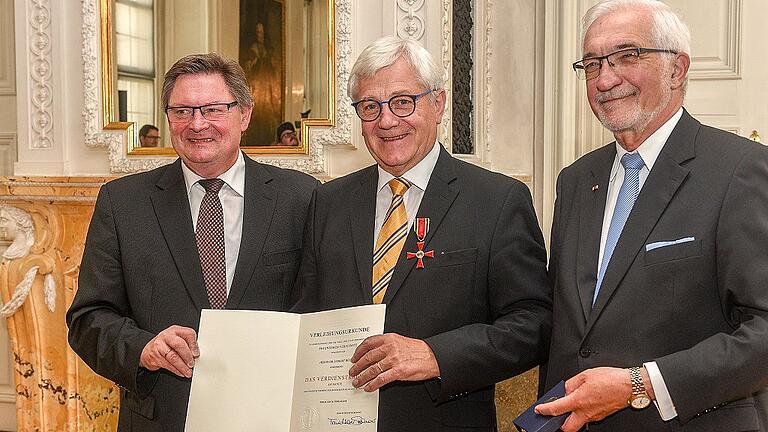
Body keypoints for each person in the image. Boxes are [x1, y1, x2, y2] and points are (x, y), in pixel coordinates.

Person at [291, 36, 552, 431]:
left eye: (402, 102)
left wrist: (436, 355)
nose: (386, 121)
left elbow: (533, 323)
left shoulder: (497, 200)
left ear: (439, 103)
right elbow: (304, 319)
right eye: (369, 107)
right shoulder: (329, 202)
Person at [536, 1, 768, 431]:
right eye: (592, 64)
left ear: (677, 70)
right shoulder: (574, 181)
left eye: (628, 56)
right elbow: (566, 328)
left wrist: (641, 384)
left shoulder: (742, 170)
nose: (606, 79)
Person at [66, 53, 319, 432]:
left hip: (273, 416)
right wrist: (143, 349)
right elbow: (88, 320)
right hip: (162, 418)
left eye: (213, 109)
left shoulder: (300, 197)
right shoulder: (123, 204)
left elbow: (322, 306)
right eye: (182, 111)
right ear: (168, 118)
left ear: (244, 114)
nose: (197, 124)